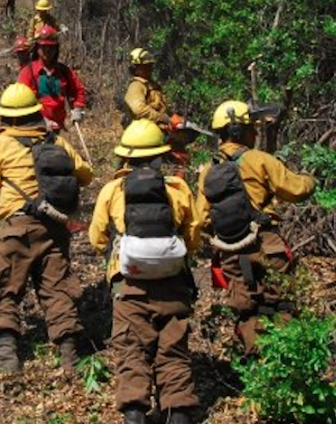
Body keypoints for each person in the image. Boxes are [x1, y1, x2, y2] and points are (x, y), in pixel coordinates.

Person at [89, 118, 200, 424]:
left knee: (132, 351)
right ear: (160, 156)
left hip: (128, 286)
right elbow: (193, 235)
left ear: (126, 156)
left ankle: (135, 414)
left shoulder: (112, 190)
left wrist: (113, 255)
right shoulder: (178, 189)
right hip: (173, 284)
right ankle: (177, 413)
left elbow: (96, 237)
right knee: (173, 351)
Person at [0, 83, 94, 374]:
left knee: (3, 289)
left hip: (15, 228)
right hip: (54, 228)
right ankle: (70, 359)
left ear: (8, 117)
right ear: (33, 113)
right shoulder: (54, 140)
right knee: (56, 290)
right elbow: (85, 174)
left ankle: (7, 359)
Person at [196, 100, 316, 356]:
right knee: (281, 305)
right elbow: (296, 190)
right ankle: (285, 367)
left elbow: (202, 218)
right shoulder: (260, 160)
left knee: (248, 309)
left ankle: (258, 370)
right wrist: (310, 179)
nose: (255, 133)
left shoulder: (208, 171)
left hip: (231, 253)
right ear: (241, 131)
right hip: (267, 245)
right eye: (252, 128)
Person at [17, 25, 86, 132]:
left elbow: (78, 90)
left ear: (56, 48)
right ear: (37, 48)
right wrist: (42, 121)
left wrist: (78, 109)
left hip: (57, 129)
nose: (47, 51)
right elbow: (22, 102)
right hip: (34, 130)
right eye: (43, 47)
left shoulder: (63, 71)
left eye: (51, 47)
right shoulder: (27, 72)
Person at [123, 48, 170, 128]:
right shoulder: (136, 86)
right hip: (143, 132)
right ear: (135, 68)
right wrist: (160, 117)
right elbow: (138, 109)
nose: (150, 68)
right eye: (145, 66)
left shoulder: (153, 85)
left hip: (157, 130)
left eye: (150, 65)